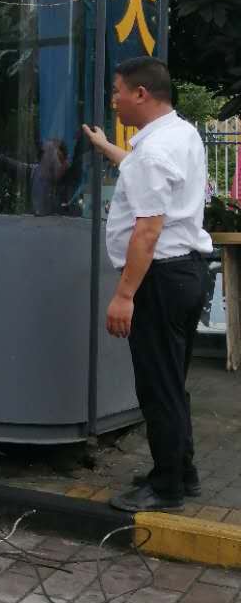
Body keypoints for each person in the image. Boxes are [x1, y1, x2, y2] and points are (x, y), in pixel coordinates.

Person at [83, 57, 213, 513]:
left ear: (141, 94)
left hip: (159, 279)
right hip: (186, 273)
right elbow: (143, 171)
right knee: (172, 382)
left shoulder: (155, 151)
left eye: (117, 91)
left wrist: (124, 295)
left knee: (158, 387)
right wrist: (106, 148)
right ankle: (182, 472)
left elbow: (147, 231)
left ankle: (166, 486)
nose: (113, 100)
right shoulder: (180, 134)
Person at [0, 136, 72, 216]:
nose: (50, 163)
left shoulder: (71, 187)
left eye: (55, 159)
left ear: (64, 163)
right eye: (46, 158)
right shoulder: (33, 173)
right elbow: (5, 163)